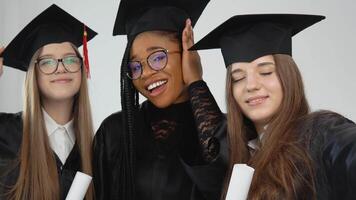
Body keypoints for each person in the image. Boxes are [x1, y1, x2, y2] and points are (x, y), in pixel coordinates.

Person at [191, 14, 356, 199]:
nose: (251, 85)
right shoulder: (243, 156)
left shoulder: (321, 133)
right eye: (239, 77)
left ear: (288, 76)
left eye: (265, 71)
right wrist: (194, 82)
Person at [93, 0, 228, 199]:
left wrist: (196, 82)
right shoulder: (115, 132)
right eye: (135, 66)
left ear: (186, 52)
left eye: (157, 58)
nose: (145, 73)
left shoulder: (223, 130)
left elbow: (223, 175)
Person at [0, 4, 97, 200]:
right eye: (47, 62)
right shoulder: (4, 134)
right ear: (33, 75)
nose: (61, 68)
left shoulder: (98, 148)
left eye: (70, 60)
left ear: (82, 68)